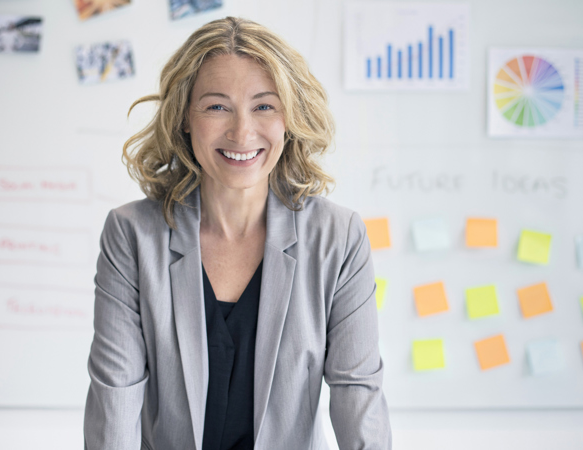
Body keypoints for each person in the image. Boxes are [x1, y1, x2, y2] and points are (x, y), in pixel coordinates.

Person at [84, 16, 391, 450]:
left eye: (264, 106)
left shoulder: (338, 237)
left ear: (289, 117)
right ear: (184, 118)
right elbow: (113, 401)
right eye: (216, 106)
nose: (242, 132)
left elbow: (359, 398)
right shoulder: (132, 236)